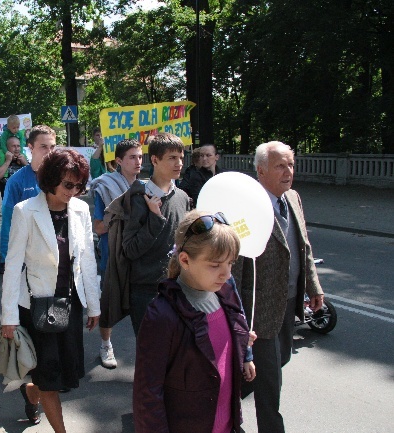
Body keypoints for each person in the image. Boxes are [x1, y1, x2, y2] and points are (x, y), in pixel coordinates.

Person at [1, 149, 100, 432]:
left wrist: (94, 305)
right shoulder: (26, 211)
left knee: (62, 377)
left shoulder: (80, 210)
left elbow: (88, 260)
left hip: (70, 305)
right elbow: (14, 266)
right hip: (37, 307)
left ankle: (32, 392)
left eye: (80, 185)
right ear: (51, 179)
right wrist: (9, 316)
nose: (74, 191)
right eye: (68, 185)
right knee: (50, 377)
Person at [134, 210, 256, 433]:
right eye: (215, 265)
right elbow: (148, 395)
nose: (226, 274)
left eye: (230, 263)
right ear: (185, 260)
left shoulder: (225, 295)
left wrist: (242, 343)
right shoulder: (162, 315)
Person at [232, 141, 324, 433]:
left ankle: (221, 402)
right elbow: (237, 264)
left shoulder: (293, 198)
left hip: (289, 301)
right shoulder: (246, 207)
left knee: (278, 360)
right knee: (271, 382)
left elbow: (303, 246)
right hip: (258, 309)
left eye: (291, 165)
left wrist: (314, 287)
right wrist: (234, 312)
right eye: (280, 166)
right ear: (260, 171)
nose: (288, 172)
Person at [116, 132, 190, 335]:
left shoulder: (182, 197)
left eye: (181, 158)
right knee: (150, 356)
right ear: (155, 160)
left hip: (177, 287)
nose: (179, 163)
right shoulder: (138, 197)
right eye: (172, 158)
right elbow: (130, 250)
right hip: (146, 291)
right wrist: (155, 219)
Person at [91, 139, 143, 369]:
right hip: (112, 252)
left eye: (140, 156)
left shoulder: (145, 188)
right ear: (119, 161)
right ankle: (106, 344)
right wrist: (119, 212)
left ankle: (146, 349)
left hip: (138, 254)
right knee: (110, 302)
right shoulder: (104, 186)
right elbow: (98, 227)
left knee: (142, 304)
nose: (138, 161)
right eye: (132, 157)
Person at [0, 125, 56, 267]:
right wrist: (7, 259)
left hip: (58, 253)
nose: (49, 152)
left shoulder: (63, 179)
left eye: (52, 147)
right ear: (30, 147)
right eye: (43, 146)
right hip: (28, 258)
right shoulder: (16, 181)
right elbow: (8, 222)